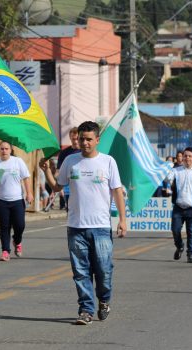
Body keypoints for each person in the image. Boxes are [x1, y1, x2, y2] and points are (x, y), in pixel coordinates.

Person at [40, 121, 126, 325]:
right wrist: (46, 171)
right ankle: (86, 310)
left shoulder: (108, 162)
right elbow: (57, 187)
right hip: (76, 227)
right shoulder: (70, 161)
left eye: (89, 139)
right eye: (81, 138)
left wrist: (122, 219)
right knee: (81, 272)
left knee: (104, 270)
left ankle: (104, 300)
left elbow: (117, 191)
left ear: (97, 140)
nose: (85, 142)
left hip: (101, 227)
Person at [0, 140, 33, 261]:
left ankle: (17, 240)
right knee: (4, 227)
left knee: (20, 225)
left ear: (11, 150)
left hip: (17, 200)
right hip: (0, 200)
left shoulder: (17, 162)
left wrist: (29, 193)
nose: (4, 151)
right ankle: (5, 251)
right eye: (2, 149)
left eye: (6, 149)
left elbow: (26, 178)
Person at [57, 127, 81, 210]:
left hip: (83, 187)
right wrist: (60, 189)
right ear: (70, 138)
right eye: (73, 139)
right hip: (68, 188)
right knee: (71, 212)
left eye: (77, 139)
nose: (75, 141)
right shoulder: (64, 153)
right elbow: (59, 171)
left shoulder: (85, 152)